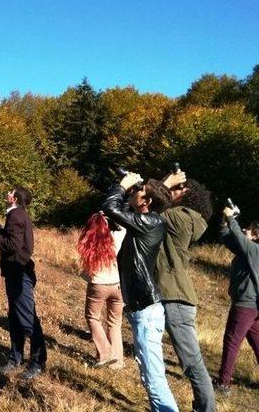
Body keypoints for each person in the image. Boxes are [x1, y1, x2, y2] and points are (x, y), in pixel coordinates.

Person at [102, 171, 179, 412]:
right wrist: (130, 188)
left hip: (146, 310)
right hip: (143, 308)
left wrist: (121, 185)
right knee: (150, 375)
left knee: (154, 378)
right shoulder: (146, 220)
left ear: (147, 202)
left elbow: (110, 208)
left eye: (139, 190)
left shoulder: (151, 222)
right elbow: (118, 213)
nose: (134, 191)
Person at [155, 178, 216, 412]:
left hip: (175, 297)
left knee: (192, 362)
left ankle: (206, 409)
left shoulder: (181, 217)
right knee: (189, 361)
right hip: (175, 295)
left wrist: (164, 184)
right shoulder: (187, 218)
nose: (172, 190)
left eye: (179, 188)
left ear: (188, 194)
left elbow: (153, 202)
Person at [0, 186, 46, 380]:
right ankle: (15, 358)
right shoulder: (18, 214)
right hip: (16, 272)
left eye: (10, 192)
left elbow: (14, 245)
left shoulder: (16, 215)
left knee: (27, 319)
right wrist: (1, 230)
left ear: (15, 198)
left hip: (19, 273)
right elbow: (14, 238)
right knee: (15, 317)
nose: (7, 194)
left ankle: (37, 362)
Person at [216, 207, 259, 395]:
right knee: (258, 343)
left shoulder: (256, 251)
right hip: (250, 305)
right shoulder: (248, 251)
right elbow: (227, 237)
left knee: (231, 342)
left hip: (245, 305)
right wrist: (226, 220)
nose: (244, 230)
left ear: (257, 237)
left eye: (248, 230)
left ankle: (223, 383)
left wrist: (232, 217)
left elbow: (238, 235)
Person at [78, 213, 126, 370]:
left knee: (92, 317)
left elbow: (86, 267)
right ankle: (118, 361)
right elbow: (123, 227)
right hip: (118, 284)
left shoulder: (90, 241)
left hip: (99, 284)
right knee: (115, 322)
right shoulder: (118, 236)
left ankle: (106, 353)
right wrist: (110, 216)